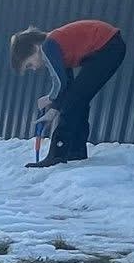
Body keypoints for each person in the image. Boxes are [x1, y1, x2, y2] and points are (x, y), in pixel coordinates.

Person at [9, 19, 125, 168]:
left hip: (108, 47)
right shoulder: (58, 46)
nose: (34, 69)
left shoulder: (48, 46)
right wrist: (53, 110)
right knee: (77, 100)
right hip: (110, 47)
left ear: (35, 47)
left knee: (75, 101)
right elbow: (67, 86)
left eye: (29, 64)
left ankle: (57, 155)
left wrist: (50, 98)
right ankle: (76, 151)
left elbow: (60, 83)